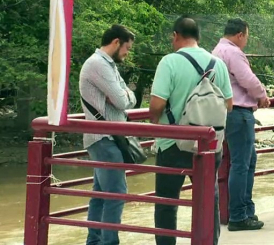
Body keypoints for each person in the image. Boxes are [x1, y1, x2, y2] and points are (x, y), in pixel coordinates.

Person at [149, 17, 233, 244]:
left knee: (167, 203)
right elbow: (229, 104)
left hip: (172, 142)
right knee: (208, 200)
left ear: (175, 35)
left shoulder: (169, 62)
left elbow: (157, 105)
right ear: (198, 37)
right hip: (209, 144)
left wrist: (154, 122)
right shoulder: (217, 63)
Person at [80, 25, 137, 245]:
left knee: (101, 194)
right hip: (104, 138)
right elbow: (124, 100)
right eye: (127, 48)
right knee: (116, 193)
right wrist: (124, 96)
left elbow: (126, 97)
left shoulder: (108, 64)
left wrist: (123, 96)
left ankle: (94, 241)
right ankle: (108, 242)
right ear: (116, 42)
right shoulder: (98, 65)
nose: (127, 53)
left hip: (106, 137)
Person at [211, 18, 270, 231]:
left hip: (224, 112)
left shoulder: (215, 51)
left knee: (244, 161)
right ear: (240, 35)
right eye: (247, 36)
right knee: (241, 164)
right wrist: (262, 96)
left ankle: (244, 210)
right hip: (239, 112)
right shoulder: (233, 52)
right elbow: (249, 80)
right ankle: (238, 215)